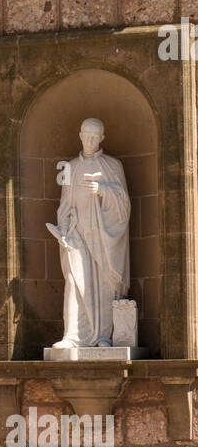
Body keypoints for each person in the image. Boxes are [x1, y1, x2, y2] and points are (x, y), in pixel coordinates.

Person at [49, 118, 130, 349]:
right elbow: (64, 204)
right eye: (87, 135)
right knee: (75, 281)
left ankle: (104, 337)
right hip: (77, 234)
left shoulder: (113, 166)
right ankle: (72, 336)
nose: (91, 140)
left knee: (105, 285)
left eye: (95, 136)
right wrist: (63, 230)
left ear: (102, 138)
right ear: (80, 135)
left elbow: (124, 205)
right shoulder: (70, 167)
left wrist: (103, 190)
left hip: (104, 238)